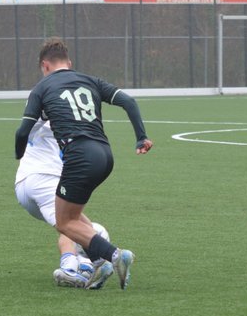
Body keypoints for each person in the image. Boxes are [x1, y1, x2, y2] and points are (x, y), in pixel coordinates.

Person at [14, 37, 153, 290]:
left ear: (44, 65)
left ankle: (107, 257)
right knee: (74, 220)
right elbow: (128, 101)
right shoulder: (89, 82)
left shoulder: (42, 90)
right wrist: (141, 137)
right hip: (103, 155)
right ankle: (97, 262)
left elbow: (23, 132)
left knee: (67, 223)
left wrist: (18, 153)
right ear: (69, 63)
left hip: (63, 164)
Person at [16, 116, 115, 289]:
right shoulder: (75, 130)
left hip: (24, 182)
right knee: (77, 226)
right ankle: (108, 258)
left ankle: (79, 265)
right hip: (45, 180)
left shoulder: (41, 121)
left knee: (68, 224)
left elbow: (24, 131)